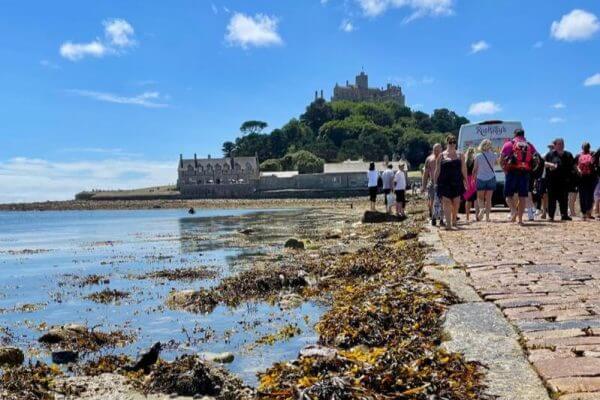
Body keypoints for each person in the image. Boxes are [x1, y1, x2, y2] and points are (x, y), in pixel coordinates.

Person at [500, 128, 539, 224]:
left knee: (508, 195)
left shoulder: (509, 144)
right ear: (523, 135)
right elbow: (537, 158)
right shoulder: (529, 145)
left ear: (514, 134)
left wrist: (504, 170)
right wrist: (532, 169)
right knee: (522, 196)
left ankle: (513, 211)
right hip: (525, 172)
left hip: (512, 171)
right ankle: (520, 220)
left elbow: (501, 159)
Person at [435, 135, 467, 230]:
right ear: (447, 143)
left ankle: (454, 220)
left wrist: (466, 181)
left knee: (456, 203)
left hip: (457, 182)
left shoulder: (460, 155)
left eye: (454, 142)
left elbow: (464, 169)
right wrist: (435, 182)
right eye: (450, 142)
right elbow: (437, 170)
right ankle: (448, 224)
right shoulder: (441, 156)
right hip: (444, 183)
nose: (452, 144)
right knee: (446, 202)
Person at [544, 138, 575, 221]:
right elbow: (543, 162)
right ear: (555, 145)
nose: (561, 145)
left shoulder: (568, 154)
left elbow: (573, 165)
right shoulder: (550, 154)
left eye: (562, 143)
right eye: (559, 144)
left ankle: (564, 215)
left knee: (564, 199)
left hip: (564, 181)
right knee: (552, 199)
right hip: (552, 181)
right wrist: (550, 164)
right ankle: (551, 216)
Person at [473, 139, 498, 222]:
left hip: (480, 178)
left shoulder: (478, 156)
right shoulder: (494, 155)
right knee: (488, 199)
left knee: (480, 198)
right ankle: (487, 217)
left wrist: (473, 178)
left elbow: (475, 169)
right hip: (491, 177)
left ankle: (481, 209)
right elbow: (495, 164)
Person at [422, 144, 444, 226]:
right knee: (432, 200)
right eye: (435, 150)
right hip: (432, 182)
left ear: (441, 149)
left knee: (443, 201)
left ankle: (441, 219)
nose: (436, 152)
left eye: (438, 150)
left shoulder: (444, 158)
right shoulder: (429, 159)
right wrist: (423, 186)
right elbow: (425, 173)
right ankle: (433, 217)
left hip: (442, 182)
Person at [576, 142, 597, 220]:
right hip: (582, 177)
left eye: (587, 146)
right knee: (583, 195)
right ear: (582, 147)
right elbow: (575, 165)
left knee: (589, 195)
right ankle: (584, 213)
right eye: (585, 146)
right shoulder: (578, 156)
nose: (585, 148)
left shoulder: (592, 154)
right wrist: (578, 170)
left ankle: (587, 212)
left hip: (590, 177)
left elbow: (593, 164)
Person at [463, 147, 479, 222]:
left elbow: (463, 172)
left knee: (468, 200)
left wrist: (464, 181)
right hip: (473, 179)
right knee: (475, 199)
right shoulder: (475, 160)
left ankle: (467, 217)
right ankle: (476, 216)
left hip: (467, 180)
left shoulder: (465, 161)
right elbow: (475, 170)